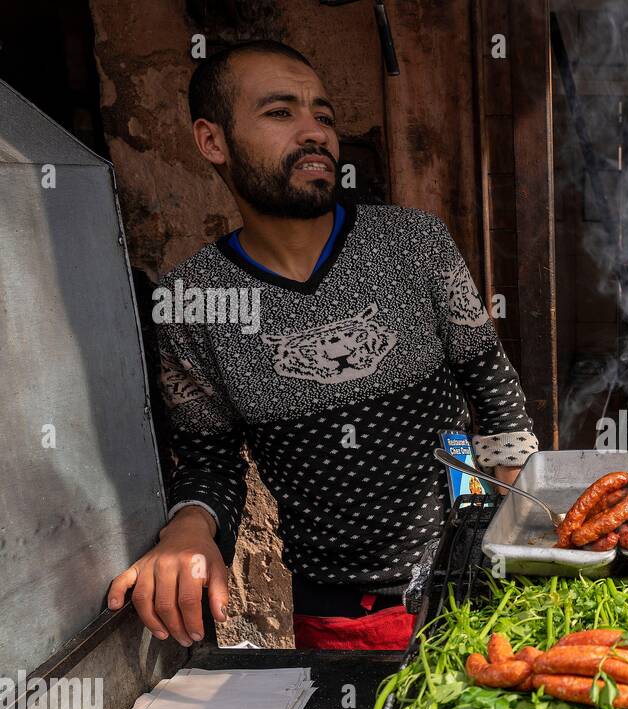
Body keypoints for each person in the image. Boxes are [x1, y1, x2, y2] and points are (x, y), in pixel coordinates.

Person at [106, 40, 536, 650]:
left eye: (324, 116)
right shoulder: (191, 300)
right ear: (212, 140)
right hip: (339, 614)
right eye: (281, 113)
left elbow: (493, 393)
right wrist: (189, 530)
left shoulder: (414, 244)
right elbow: (210, 460)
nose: (314, 132)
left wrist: (514, 533)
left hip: (478, 589)